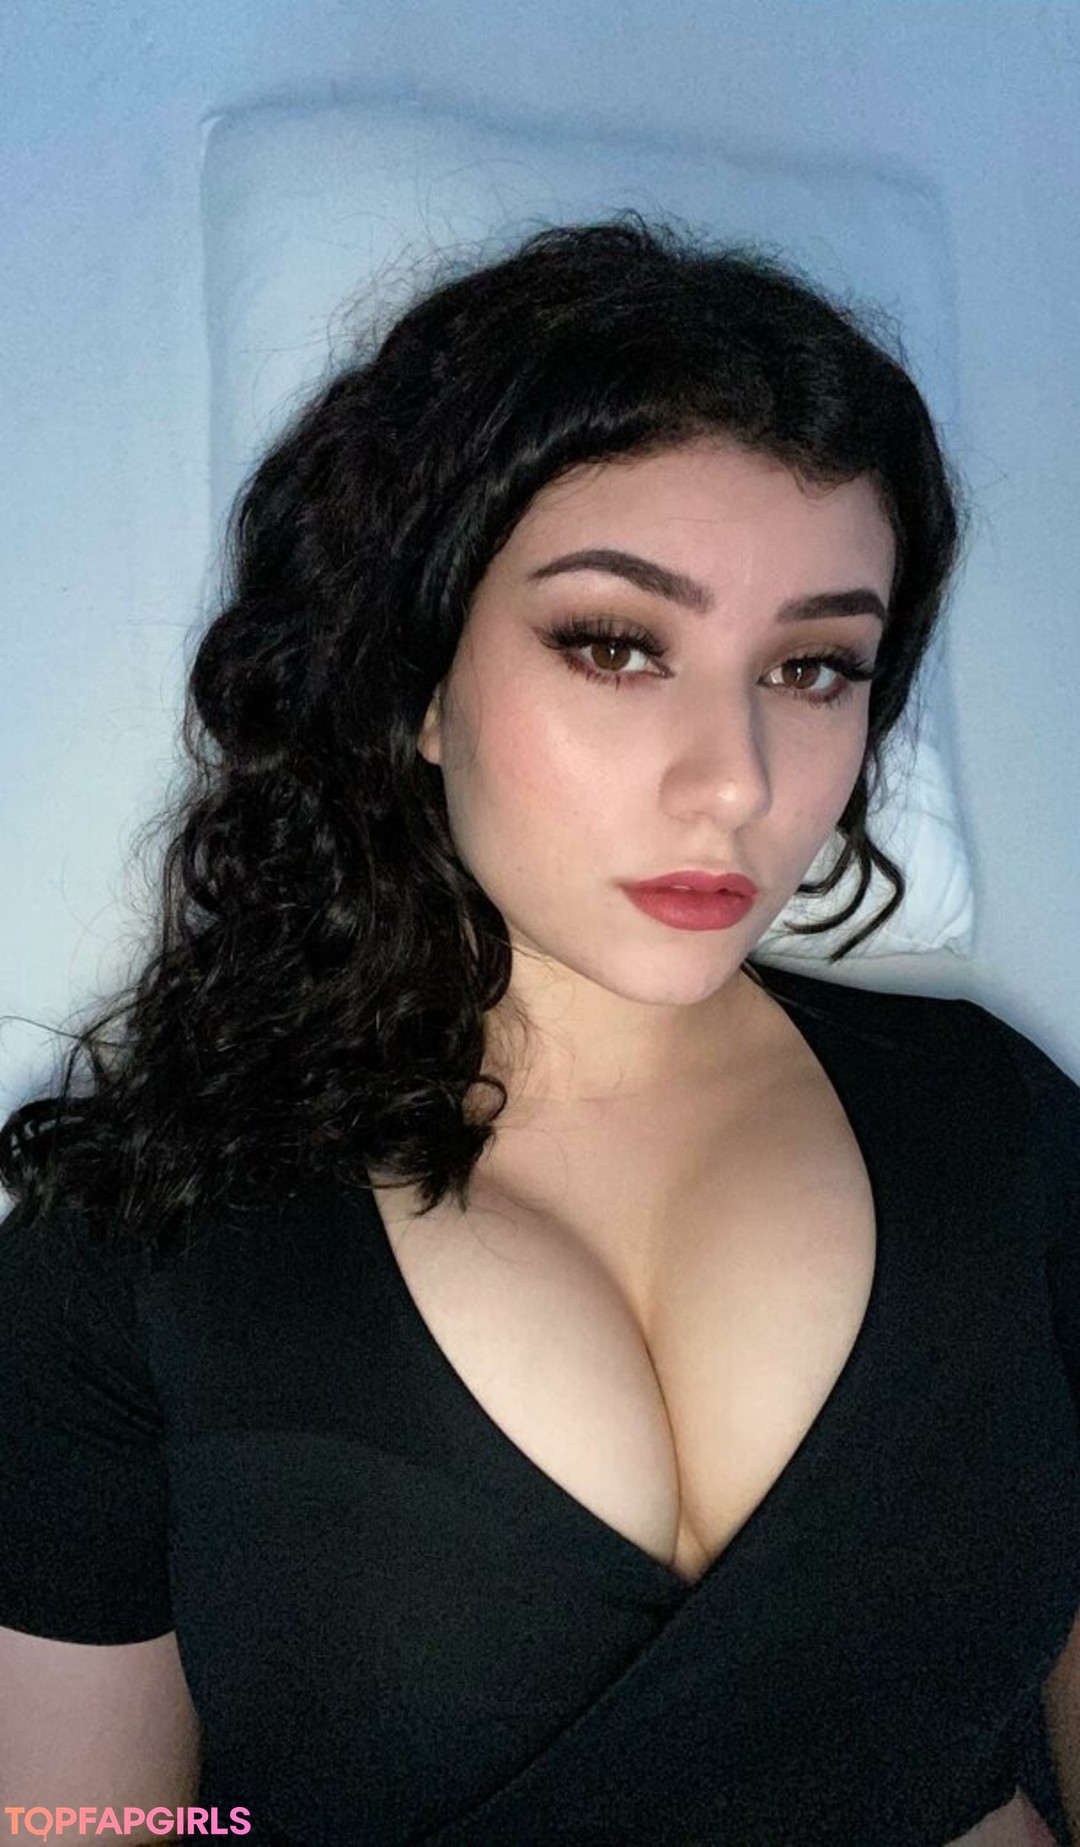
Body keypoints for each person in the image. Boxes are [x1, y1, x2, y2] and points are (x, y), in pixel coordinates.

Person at [0, 214, 1076, 1847]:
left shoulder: (1005, 1132)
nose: (734, 782)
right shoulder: (138, 1247)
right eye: (617, 644)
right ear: (416, 679)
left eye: (813, 667)